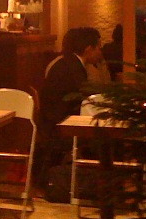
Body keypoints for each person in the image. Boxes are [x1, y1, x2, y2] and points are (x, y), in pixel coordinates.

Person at [34, 27, 103, 185]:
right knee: (102, 133)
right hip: (59, 127)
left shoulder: (64, 62)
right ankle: (97, 181)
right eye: (98, 47)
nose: (100, 52)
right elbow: (84, 98)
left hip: (48, 123)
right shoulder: (74, 68)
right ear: (88, 49)